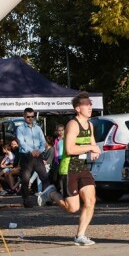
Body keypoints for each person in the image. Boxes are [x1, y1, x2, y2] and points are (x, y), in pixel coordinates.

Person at [37, 92, 101, 246]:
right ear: (78, 108)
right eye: (86, 105)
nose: (90, 107)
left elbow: (92, 143)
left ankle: (80, 235)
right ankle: (51, 193)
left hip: (83, 167)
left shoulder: (90, 125)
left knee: (90, 201)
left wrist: (94, 149)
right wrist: (91, 147)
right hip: (69, 168)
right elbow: (70, 149)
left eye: (90, 104)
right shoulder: (72, 124)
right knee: (72, 208)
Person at [16, 108, 51, 208]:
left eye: (32, 116)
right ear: (24, 116)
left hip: (38, 156)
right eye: (28, 117)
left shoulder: (38, 128)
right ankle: (26, 201)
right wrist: (32, 151)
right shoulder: (20, 129)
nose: (30, 118)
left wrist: (39, 151)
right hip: (26, 157)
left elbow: (43, 142)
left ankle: (47, 198)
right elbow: (21, 142)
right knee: (25, 179)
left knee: (44, 177)